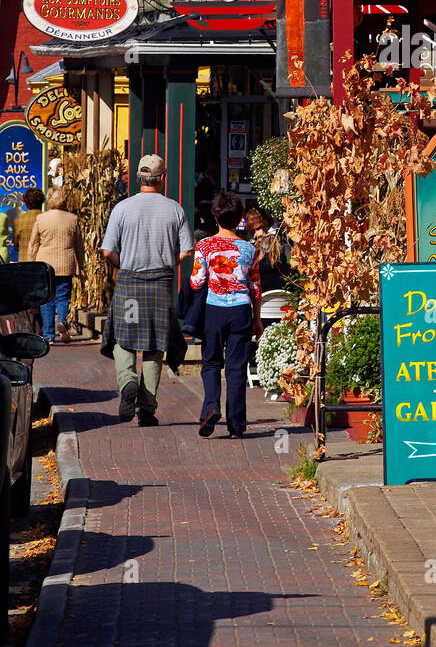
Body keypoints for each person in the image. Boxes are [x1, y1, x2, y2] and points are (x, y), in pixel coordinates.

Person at [101, 154, 194, 426]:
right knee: (155, 346)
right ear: (163, 178)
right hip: (160, 284)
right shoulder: (174, 209)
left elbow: (107, 251)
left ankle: (128, 382)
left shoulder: (122, 208)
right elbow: (187, 250)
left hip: (129, 281)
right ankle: (147, 407)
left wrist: (124, 266)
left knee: (122, 339)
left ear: (139, 179)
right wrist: (168, 263)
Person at [190, 190, 262, 440]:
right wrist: (257, 319)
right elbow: (255, 287)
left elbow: (197, 282)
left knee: (210, 362)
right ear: (240, 217)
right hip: (241, 309)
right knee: (236, 368)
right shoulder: (249, 249)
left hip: (214, 310)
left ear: (216, 216)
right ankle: (237, 425)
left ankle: (210, 406)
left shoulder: (204, 246)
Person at [28, 187, 85, 344]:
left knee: (47, 299)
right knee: (63, 296)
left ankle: (49, 335)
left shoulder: (41, 219)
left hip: (45, 264)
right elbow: (79, 245)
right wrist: (81, 265)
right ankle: (62, 321)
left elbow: (33, 244)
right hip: (66, 263)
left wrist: (31, 263)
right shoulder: (72, 219)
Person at [14, 188, 44, 262]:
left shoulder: (18, 220)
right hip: (42, 264)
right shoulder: (47, 219)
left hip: (24, 263)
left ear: (26, 203)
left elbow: (16, 245)